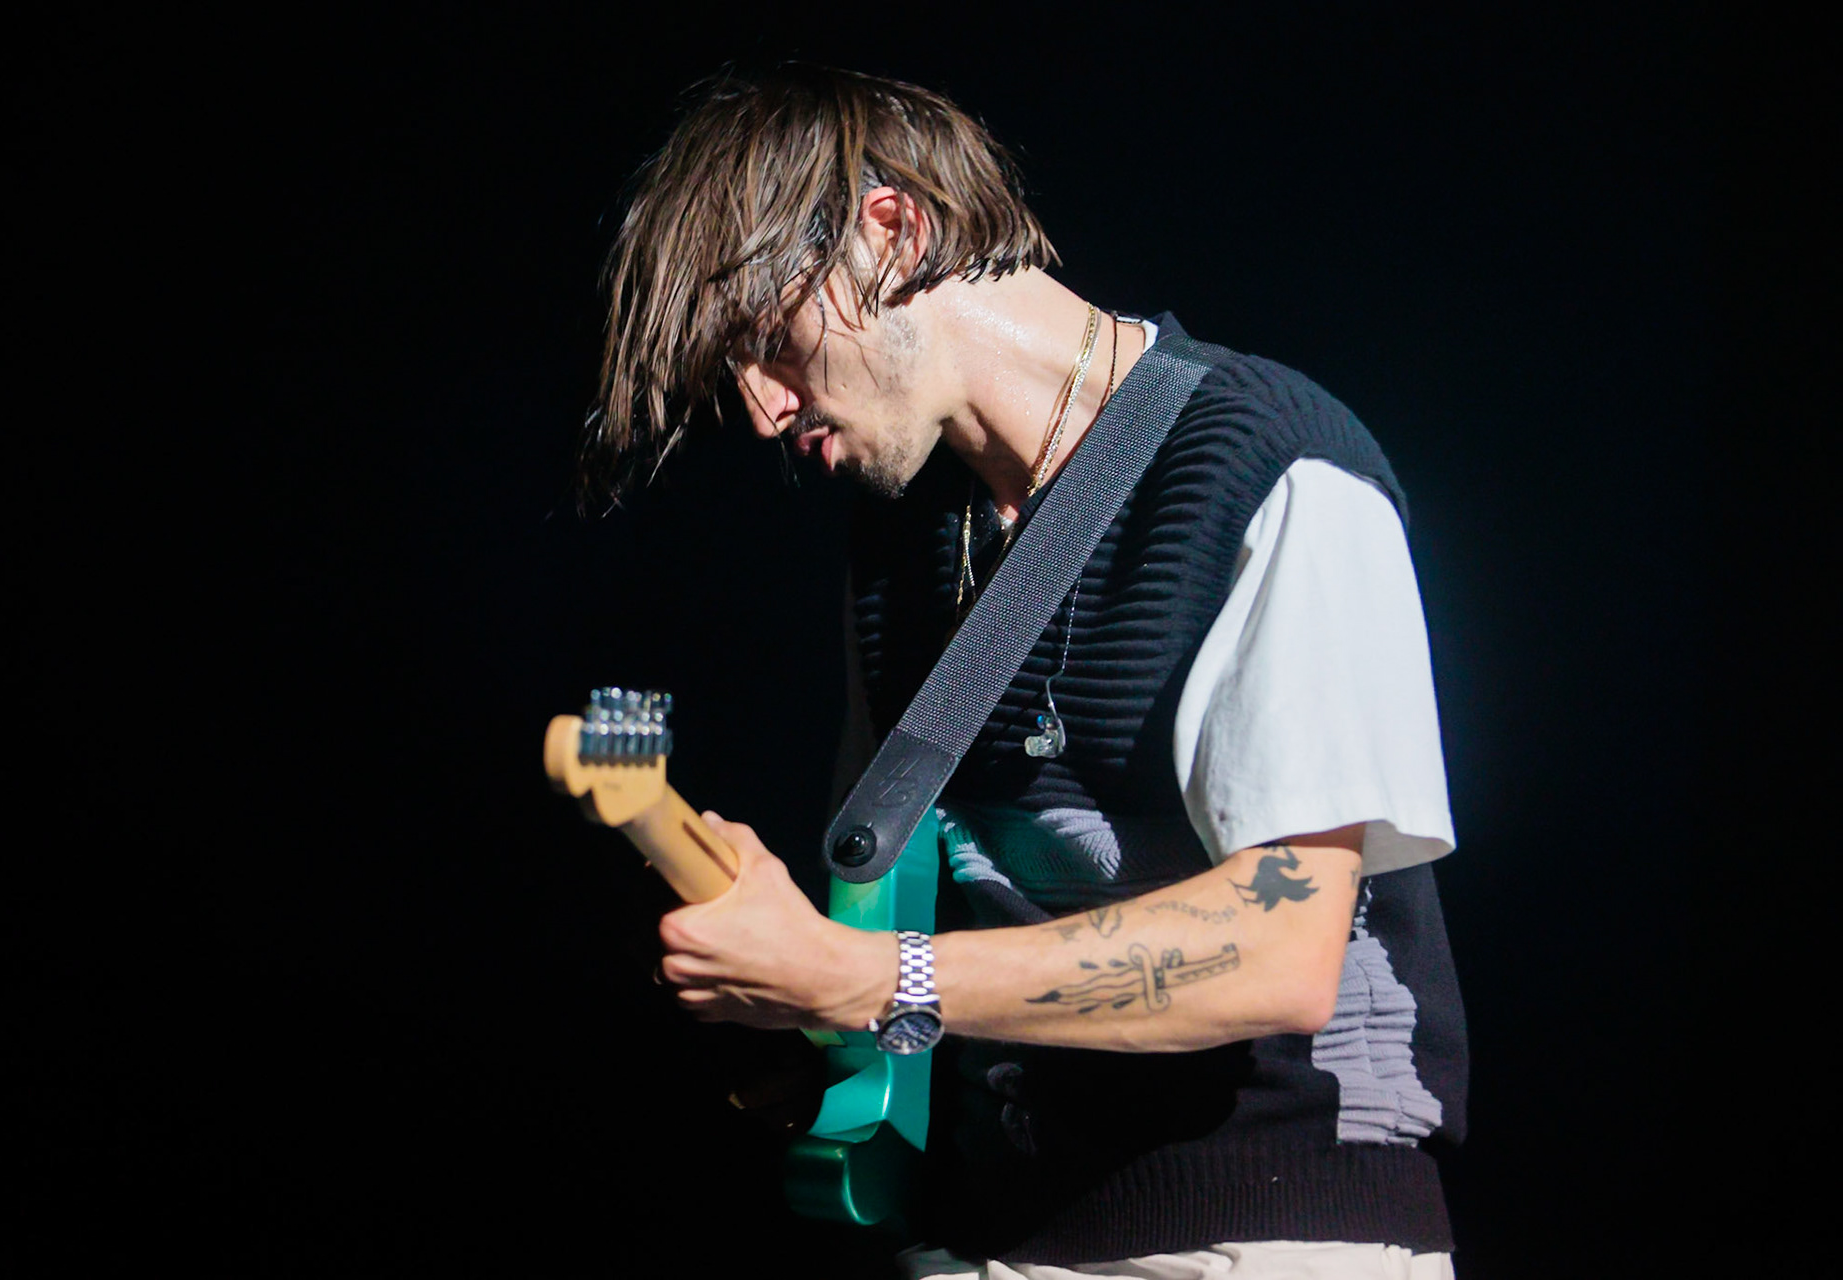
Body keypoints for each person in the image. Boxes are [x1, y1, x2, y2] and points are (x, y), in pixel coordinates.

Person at [580, 65, 1467, 1280]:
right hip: (974, 1234)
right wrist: (778, 961)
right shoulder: (898, 539)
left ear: (894, 231)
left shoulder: (1277, 470)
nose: (761, 410)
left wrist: (858, 970)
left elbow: (1282, 948)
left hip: (1257, 1233)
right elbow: (893, 951)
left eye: (767, 342)